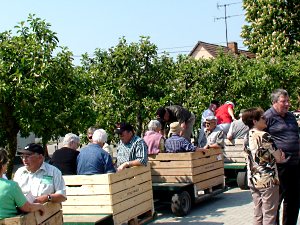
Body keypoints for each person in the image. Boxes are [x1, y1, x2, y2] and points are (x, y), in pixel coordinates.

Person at [242, 107, 285, 225]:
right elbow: (278, 157)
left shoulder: (246, 137)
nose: (265, 119)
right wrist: (281, 155)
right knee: (269, 215)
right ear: (254, 121)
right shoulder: (264, 136)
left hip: (252, 179)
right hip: (267, 180)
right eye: (262, 117)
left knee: (258, 213)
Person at [264, 89, 300, 225]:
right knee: (276, 201)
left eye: (288, 101)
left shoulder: (290, 116)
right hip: (278, 167)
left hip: (295, 165)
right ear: (274, 102)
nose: (287, 104)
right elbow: (259, 139)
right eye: (283, 101)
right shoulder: (267, 117)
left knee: (294, 199)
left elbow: (296, 135)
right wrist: (273, 155)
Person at [0, 148, 45, 219]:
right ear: (2, 166)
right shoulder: (11, 186)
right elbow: (27, 207)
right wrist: (40, 206)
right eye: (6, 163)